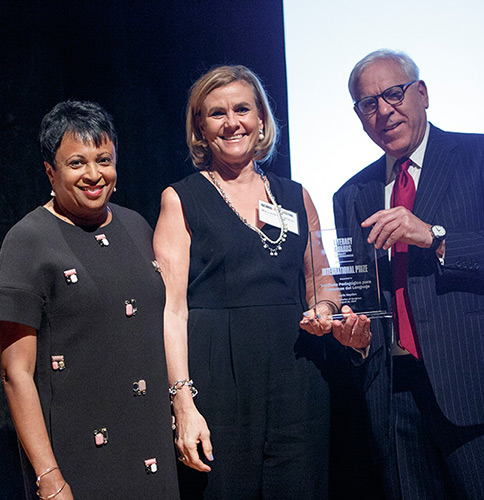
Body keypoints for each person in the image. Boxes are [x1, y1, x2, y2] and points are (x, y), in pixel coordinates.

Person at [153, 65, 368, 500]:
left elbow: (321, 282)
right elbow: (171, 308)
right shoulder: (181, 198)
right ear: (200, 126)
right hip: (219, 380)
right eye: (216, 113)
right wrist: (182, 401)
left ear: (262, 120)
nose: (232, 122)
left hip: (299, 376)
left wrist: (324, 312)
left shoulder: (296, 195)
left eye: (242, 109)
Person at [329, 49, 484, 499]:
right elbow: (362, 295)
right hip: (393, 397)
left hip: (477, 389)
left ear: (421, 94)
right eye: (369, 103)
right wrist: (357, 336)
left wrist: (435, 237)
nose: (384, 110)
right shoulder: (352, 193)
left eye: (394, 94)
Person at [0, 101, 180, 500]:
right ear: (51, 171)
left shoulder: (135, 225)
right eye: (77, 163)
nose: (95, 175)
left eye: (104, 160)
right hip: (76, 461)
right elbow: (16, 374)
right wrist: (49, 478)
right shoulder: (26, 242)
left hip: (150, 450)